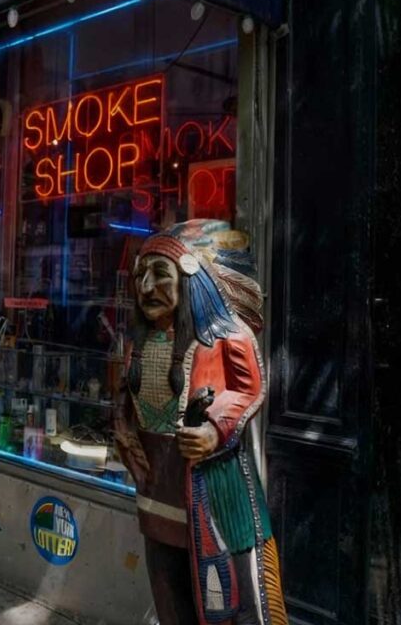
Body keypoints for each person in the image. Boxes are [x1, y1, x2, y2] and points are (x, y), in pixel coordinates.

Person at [114, 229, 287, 625]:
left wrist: (214, 429)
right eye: (141, 275)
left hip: (214, 486)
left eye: (160, 273)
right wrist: (123, 430)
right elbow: (123, 399)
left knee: (230, 594)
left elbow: (249, 389)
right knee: (167, 586)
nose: (146, 286)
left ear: (190, 279)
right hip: (156, 487)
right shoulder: (138, 345)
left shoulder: (226, 336)